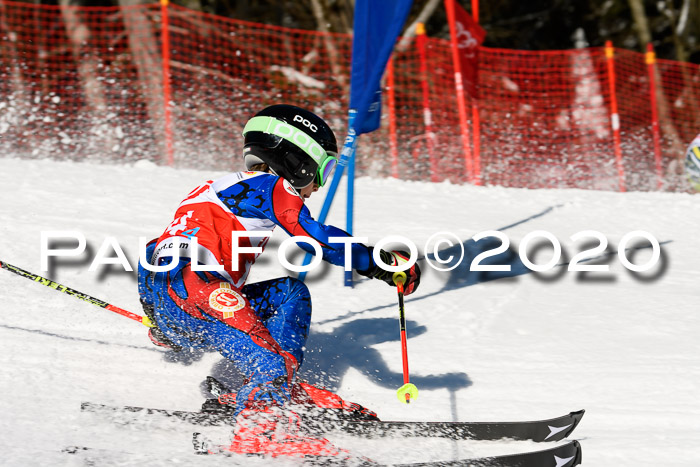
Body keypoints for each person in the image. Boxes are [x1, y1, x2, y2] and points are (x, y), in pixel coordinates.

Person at [137, 104, 421, 458]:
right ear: (298, 158)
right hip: (202, 292)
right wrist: (375, 262)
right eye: (324, 169)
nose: (318, 185)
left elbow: (157, 252)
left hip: (173, 297)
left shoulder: (209, 189)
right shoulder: (272, 186)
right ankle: (263, 430)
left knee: (290, 293)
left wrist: (162, 321)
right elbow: (313, 237)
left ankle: (268, 392)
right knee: (267, 359)